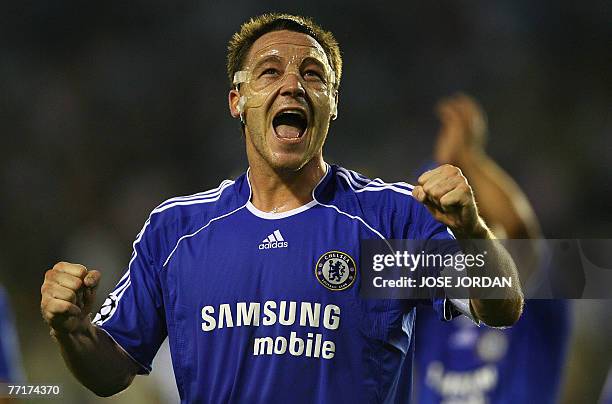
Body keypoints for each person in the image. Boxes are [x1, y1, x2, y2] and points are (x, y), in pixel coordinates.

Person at [39, 14, 523, 403]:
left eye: (313, 75)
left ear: (332, 103)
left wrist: (473, 228)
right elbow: (111, 371)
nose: (292, 85)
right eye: (270, 71)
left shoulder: (391, 219)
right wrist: (72, 329)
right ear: (238, 100)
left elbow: (501, 307)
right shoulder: (177, 231)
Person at [412, 94, 570, 404]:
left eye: (482, 224)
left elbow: (520, 234)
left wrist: (467, 158)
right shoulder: (431, 311)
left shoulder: (531, 303)